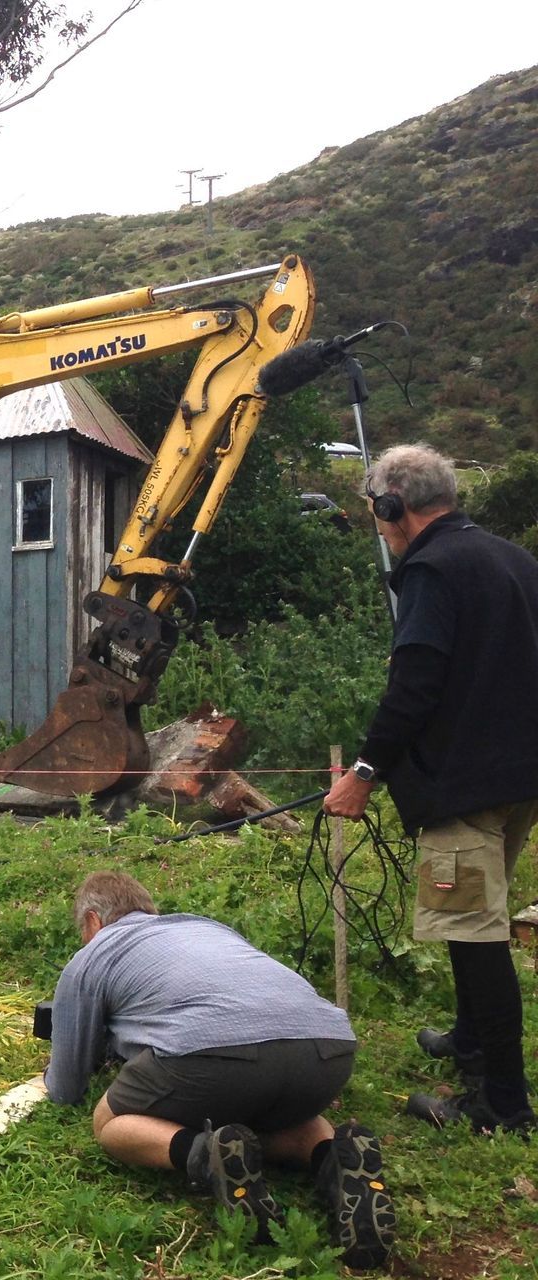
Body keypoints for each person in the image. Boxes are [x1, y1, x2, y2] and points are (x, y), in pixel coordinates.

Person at [322, 442, 538, 1136]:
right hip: (521, 778)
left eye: (376, 512)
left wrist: (364, 772)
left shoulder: (433, 570)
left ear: (394, 506)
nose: (378, 525)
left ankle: (501, 1104)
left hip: (464, 784)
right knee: (476, 919)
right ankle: (471, 1042)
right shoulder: (513, 558)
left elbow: (414, 682)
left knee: (473, 934)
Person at [46, 871, 392, 1269]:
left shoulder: (95, 953)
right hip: (326, 1053)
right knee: (276, 1108)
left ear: (92, 921)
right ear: (149, 910)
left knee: (110, 1122)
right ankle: (334, 1158)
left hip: (212, 1058)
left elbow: (65, 1087)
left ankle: (204, 1153)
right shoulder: (205, 927)